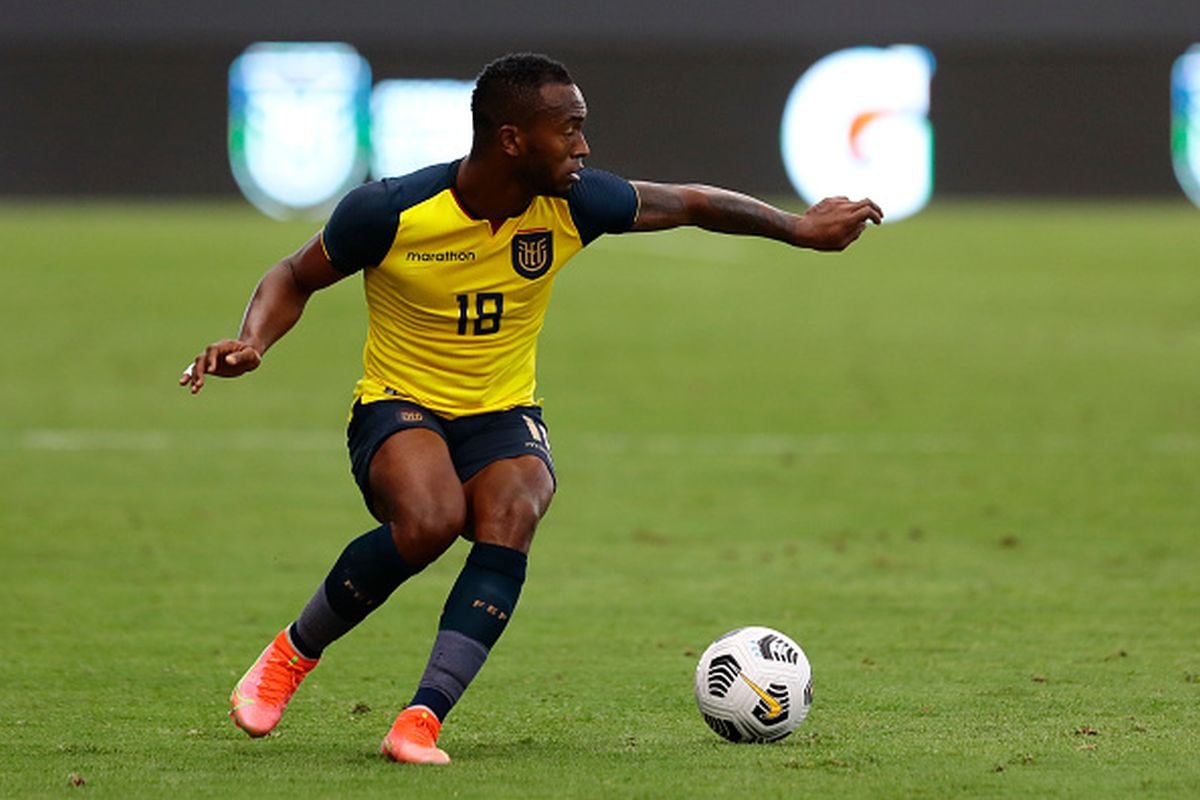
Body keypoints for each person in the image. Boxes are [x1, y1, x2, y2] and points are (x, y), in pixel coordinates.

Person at [180, 52, 882, 765]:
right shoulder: (391, 211)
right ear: (513, 139)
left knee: (516, 507)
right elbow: (293, 275)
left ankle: (420, 720)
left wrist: (799, 228)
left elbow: (692, 202)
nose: (583, 146)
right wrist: (253, 340)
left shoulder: (575, 205)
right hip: (399, 404)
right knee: (429, 522)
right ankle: (290, 656)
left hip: (502, 410)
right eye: (569, 129)